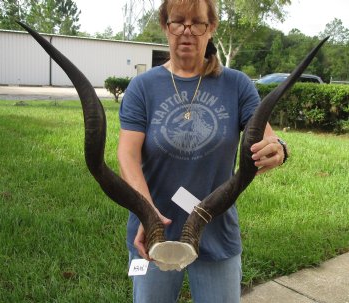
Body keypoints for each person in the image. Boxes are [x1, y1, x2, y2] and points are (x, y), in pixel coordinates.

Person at [117, 0, 288, 302]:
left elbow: (266, 135)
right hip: (154, 234)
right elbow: (127, 155)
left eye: (197, 23)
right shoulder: (142, 87)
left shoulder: (237, 85)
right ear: (165, 27)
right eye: (177, 22)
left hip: (216, 233)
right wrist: (147, 215)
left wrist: (277, 148)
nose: (186, 31)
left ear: (211, 28)